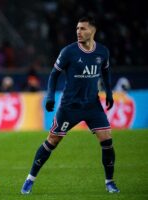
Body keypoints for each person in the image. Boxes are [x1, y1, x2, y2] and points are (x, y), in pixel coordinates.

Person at [21, 16, 120, 194]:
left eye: (82, 28)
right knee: (52, 141)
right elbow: (53, 74)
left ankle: (110, 182)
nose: (78, 32)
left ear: (93, 31)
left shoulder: (102, 52)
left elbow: (106, 72)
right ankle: (30, 179)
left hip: (92, 106)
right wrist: (50, 96)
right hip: (69, 107)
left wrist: (110, 93)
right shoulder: (69, 51)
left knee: (107, 140)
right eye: (77, 28)